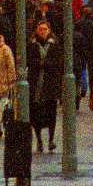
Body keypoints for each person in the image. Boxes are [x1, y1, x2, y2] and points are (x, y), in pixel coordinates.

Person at [27, 20, 64, 153]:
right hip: (35, 85)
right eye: (40, 29)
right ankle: (39, 140)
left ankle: (51, 139)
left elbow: (58, 62)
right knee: (35, 115)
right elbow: (30, 61)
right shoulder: (32, 44)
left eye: (45, 29)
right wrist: (41, 63)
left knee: (51, 113)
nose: (42, 31)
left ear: (49, 30)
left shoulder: (54, 44)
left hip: (50, 84)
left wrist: (45, 64)